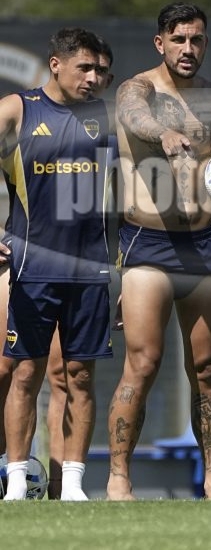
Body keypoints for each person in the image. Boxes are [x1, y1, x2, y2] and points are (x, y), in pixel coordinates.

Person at [106, 1, 211, 501]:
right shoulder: (137, 89)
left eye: (196, 39)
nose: (187, 48)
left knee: (208, 369)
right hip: (149, 243)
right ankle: (119, 478)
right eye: (178, 39)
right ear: (160, 42)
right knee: (143, 362)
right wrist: (165, 132)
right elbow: (135, 118)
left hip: (203, 243)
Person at [0, 28, 113, 501]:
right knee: (25, 373)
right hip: (33, 267)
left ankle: (73, 486)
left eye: (101, 71)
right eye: (84, 68)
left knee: (80, 376)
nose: (93, 78)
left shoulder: (103, 116)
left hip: (91, 269)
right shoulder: (18, 109)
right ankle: (16, 481)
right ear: (55, 64)